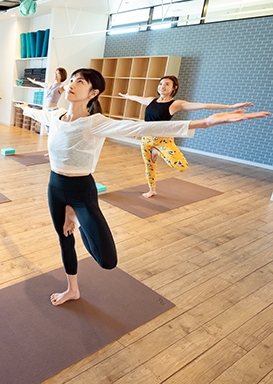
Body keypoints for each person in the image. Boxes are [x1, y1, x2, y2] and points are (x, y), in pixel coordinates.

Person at [17, 68, 268, 306]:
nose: (71, 84)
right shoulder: (55, 116)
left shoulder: (96, 122)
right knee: (64, 240)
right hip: (55, 186)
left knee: (107, 260)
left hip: (82, 190)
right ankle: (72, 289)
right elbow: (35, 112)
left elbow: (143, 127)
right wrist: (21, 105)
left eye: (79, 81)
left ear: (93, 93)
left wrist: (205, 122)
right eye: (72, 79)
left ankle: (76, 217)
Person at [119, 76, 253, 198]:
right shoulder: (150, 101)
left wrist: (230, 106)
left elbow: (203, 106)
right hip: (146, 139)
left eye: (166, 84)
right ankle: (152, 189)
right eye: (160, 84)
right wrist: (127, 95)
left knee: (182, 166)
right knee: (149, 166)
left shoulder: (175, 104)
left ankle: (157, 152)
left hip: (163, 140)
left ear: (174, 88)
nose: (162, 86)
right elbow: (136, 97)